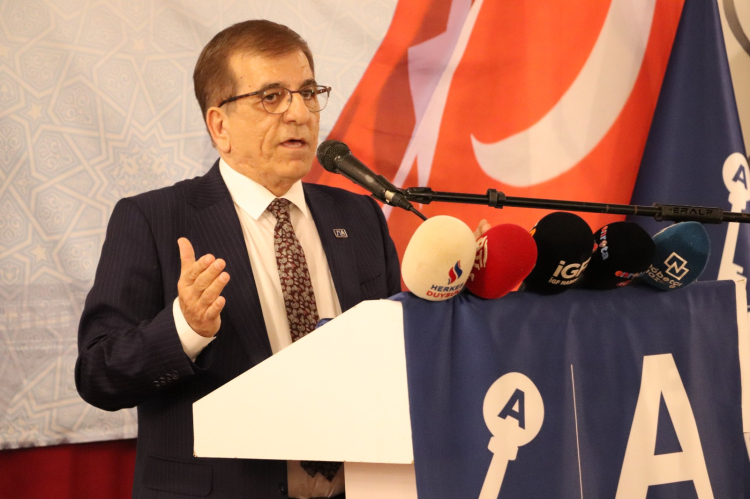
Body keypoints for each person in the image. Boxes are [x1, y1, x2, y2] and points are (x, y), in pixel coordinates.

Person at [75, 20, 401, 499]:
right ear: (219, 126)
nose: (299, 113)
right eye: (272, 96)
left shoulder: (359, 216)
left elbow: (394, 357)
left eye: (308, 93)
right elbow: (98, 373)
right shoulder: (153, 219)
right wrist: (185, 329)